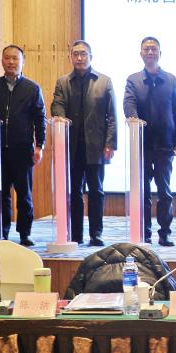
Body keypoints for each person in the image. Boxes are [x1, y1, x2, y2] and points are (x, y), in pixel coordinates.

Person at [50, 40, 117, 246]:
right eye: (76, 54)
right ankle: (76, 235)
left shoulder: (104, 81)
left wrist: (110, 143)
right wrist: (60, 118)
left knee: (96, 191)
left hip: (96, 147)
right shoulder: (63, 82)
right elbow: (57, 105)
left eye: (83, 54)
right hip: (71, 147)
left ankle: (96, 234)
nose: (79, 58)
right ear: (70, 57)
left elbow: (112, 116)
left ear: (91, 57)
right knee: (74, 192)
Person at [0, 45, 46, 246]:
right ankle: (3, 233)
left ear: (22, 62)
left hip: (23, 149)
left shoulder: (32, 88)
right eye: (7, 58)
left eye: (15, 58)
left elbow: (40, 118)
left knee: (24, 195)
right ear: (2, 61)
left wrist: (40, 145)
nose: (11, 62)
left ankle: (25, 234)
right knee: (2, 194)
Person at [123, 37, 176, 246]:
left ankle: (165, 233)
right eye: (146, 49)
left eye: (153, 49)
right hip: (141, 144)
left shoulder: (171, 79)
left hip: (165, 143)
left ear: (160, 53)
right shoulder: (133, 80)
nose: (150, 52)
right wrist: (133, 119)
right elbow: (128, 104)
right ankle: (145, 233)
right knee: (143, 191)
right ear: (141, 53)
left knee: (164, 192)